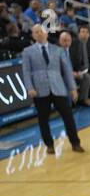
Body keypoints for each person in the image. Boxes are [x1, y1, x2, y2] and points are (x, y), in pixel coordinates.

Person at [19, 24, 84, 155]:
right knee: (43, 119)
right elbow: (26, 72)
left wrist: (73, 88)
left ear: (46, 33)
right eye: (36, 32)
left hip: (58, 87)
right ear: (33, 35)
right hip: (39, 89)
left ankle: (75, 143)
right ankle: (49, 145)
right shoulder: (27, 51)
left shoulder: (58, 49)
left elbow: (66, 70)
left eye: (41, 31)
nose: (39, 34)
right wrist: (29, 87)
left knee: (68, 117)